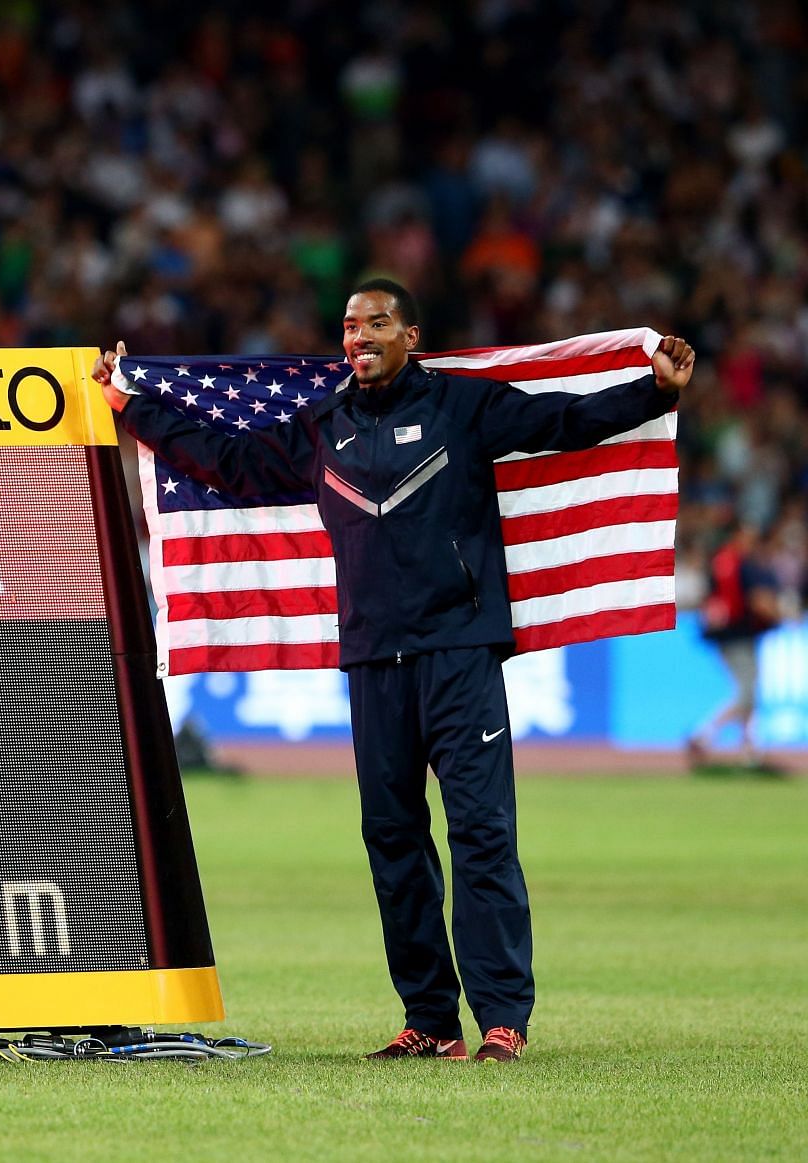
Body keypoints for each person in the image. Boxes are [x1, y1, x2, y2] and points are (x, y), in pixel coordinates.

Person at [93, 278, 694, 1062]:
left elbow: (564, 422)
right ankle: (431, 1020)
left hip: (460, 655)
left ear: (412, 333)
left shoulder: (463, 406)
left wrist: (652, 390)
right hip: (375, 659)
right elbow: (229, 462)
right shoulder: (324, 424)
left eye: (376, 322)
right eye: (348, 326)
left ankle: (503, 1017)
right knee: (393, 838)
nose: (358, 336)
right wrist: (132, 405)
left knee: (482, 834)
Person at [688, 524, 780, 769]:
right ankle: (704, 734)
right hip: (740, 635)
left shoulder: (718, 562)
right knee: (747, 693)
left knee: (747, 693)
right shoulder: (744, 565)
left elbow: (707, 599)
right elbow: (759, 601)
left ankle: (750, 749)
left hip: (722, 635)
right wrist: (781, 616)